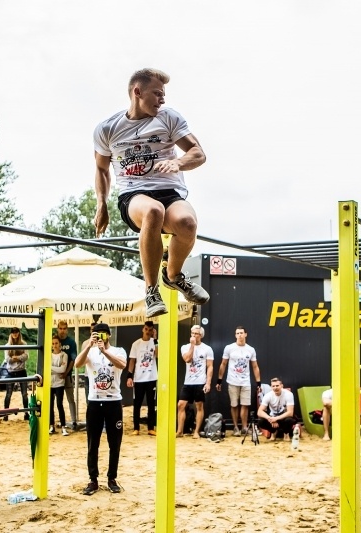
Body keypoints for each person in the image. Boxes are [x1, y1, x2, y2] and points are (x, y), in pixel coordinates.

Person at [93, 67, 210, 318]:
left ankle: (174, 276)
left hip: (169, 190)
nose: (163, 99)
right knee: (153, 211)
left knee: (187, 223)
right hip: (133, 195)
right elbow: (102, 169)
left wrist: (178, 163)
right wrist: (101, 204)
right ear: (137, 92)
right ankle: (151, 290)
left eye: (163, 94)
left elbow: (198, 153)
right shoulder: (107, 129)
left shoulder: (169, 117)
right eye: (157, 93)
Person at [75, 323, 127, 496]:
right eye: (97, 334)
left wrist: (104, 351)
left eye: (103, 334)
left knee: (115, 443)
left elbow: (122, 365)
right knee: (93, 443)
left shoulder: (118, 350)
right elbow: (77, 364)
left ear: (109, 335)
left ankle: (112, 478)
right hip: (95, 402)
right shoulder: (89, 351)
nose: (100, 337)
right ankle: (93, 479)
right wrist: (89, 346)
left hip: (113, 401)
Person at [216, 326, 261, 437]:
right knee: (234, 405)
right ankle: (236, 427)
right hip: (232, 381)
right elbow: (223, 364)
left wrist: (258, 382)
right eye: (237, 333)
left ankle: (244, 427)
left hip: (245, 381)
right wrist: (219, 380)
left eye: (241, 333)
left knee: (245, 405)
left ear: (246, 334)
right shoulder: (229, 348)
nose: (240, 335)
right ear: (235, 335)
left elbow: (255, 366)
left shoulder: (251, 349)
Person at [176, 325, 214, 438]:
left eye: (196, 333)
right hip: (188, 381)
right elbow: (187, 359)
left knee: (199, 405)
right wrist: (192, 345)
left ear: (201, 335)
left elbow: (210, 366)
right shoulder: (185, 347)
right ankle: (179, 431)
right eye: (192, 333)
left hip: (200, 381)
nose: (194, 335)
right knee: (181, 405)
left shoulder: (207, 349)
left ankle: (196, 431)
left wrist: (208, 383)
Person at [127, 321, 158, 436]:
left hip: (151, 377)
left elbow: (158, 355)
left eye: (150, 330)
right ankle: (136, 428)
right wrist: (129, 376)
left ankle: (151, 428)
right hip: (139, 378)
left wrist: (155, 340)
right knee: (137, 403)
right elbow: (132, 360)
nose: (148, 332)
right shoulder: (136, 344)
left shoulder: (155, 342)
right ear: (143, 329)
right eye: (146, 329)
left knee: (151, 403)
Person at [55, 320, 80, 430]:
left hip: (67, 375)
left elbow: (73, 359)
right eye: (60, 328)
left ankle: (74, 421)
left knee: (70, 398)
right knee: (56, 400)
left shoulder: (71, 342)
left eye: (64, 328)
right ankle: (57, 421)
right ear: (57, 329)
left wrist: (66, 373)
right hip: (55, 376)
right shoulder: (54, 340)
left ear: (67, 329)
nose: (62, 331)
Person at [257, 377, 297, 442]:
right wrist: (270, 418)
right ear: (271, 387)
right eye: (273, 386)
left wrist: (277, 418)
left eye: (277, 385)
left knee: (290, 419)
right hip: (272, 417)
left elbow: (290, 412)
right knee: (261, 422)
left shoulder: (289, 394)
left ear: (282, 386)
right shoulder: (268, 395)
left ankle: (286, 433)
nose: (275, 388)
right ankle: (273, 432)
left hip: (283, 417)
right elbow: (259, 412)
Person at [3, 327, 30, 420]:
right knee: (8, 394)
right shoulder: (7, 345)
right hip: (11, 372)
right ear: (10, 334)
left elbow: (26, 356)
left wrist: (16, 357)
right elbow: (7, 359)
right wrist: (18, 358)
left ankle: (26, 412)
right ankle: (5, 413)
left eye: (16, 332)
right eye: (13, 332)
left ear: (19, 333)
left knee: (24, 394)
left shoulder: (24, 344)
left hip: (21, 371)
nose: (15, 334)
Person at [49, 336, 69, 436]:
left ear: (60, 344)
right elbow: (47, 368)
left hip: (59, 383)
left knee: (59, 404)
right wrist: (56, 368)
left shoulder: (64, 355)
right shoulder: (49, 355)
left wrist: (51, 368)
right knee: (50, 405)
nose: (54, 345)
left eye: (56, 343)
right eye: (53, 343)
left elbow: (62, 369)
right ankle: (51, 425)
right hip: (50, 383)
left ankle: (63, 426)